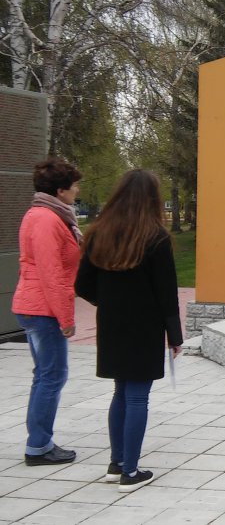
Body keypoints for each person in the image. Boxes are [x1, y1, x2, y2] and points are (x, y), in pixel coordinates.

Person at [75, 170, 183, 493]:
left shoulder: (99, 233)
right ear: (152, 198)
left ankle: (117, 463)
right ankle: (130, 472)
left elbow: (82, 284)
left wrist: (108, 301)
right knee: (137, 396)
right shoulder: (156, 237)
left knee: (120, 392)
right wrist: (174, 335)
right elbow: (166, 292)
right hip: (145, 325)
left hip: (111, 323)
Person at [12, 158, 82, 467]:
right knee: (52, 376)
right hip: (43, 310)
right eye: (75, 186)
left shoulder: (49, 215)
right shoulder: (46, 219)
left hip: (37, 306)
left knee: (45, 375)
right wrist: (66, 318)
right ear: (60, 190)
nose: (77, 191)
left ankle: (39, 442)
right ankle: (38, 446)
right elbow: (51, 273)